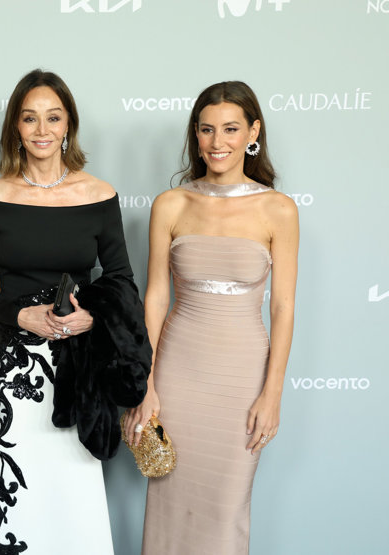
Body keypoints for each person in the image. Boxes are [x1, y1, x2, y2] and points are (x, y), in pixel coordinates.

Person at [0, 69, 151, 554]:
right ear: (15, 126)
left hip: (78, 361)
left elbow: (122, 280)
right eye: (30, 118)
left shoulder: (99, 195)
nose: (42, 130)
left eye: (53, 117)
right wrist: (20, 316)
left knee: (71, 488)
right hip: (12, 368)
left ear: (69, 124)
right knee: (17, 488)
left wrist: (94, 316)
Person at [124, 81, 299, 554]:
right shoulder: (171, 204)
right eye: (206, 130)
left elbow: (283, 307)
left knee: (225, 510)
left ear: (253, 132)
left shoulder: (278, 210)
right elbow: (155, 299)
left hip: (241, 378)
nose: (217, 141)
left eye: (230, 129)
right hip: (177, 372)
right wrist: (146, 383)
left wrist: (272, 393)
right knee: (170, 503)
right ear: (196, 135)